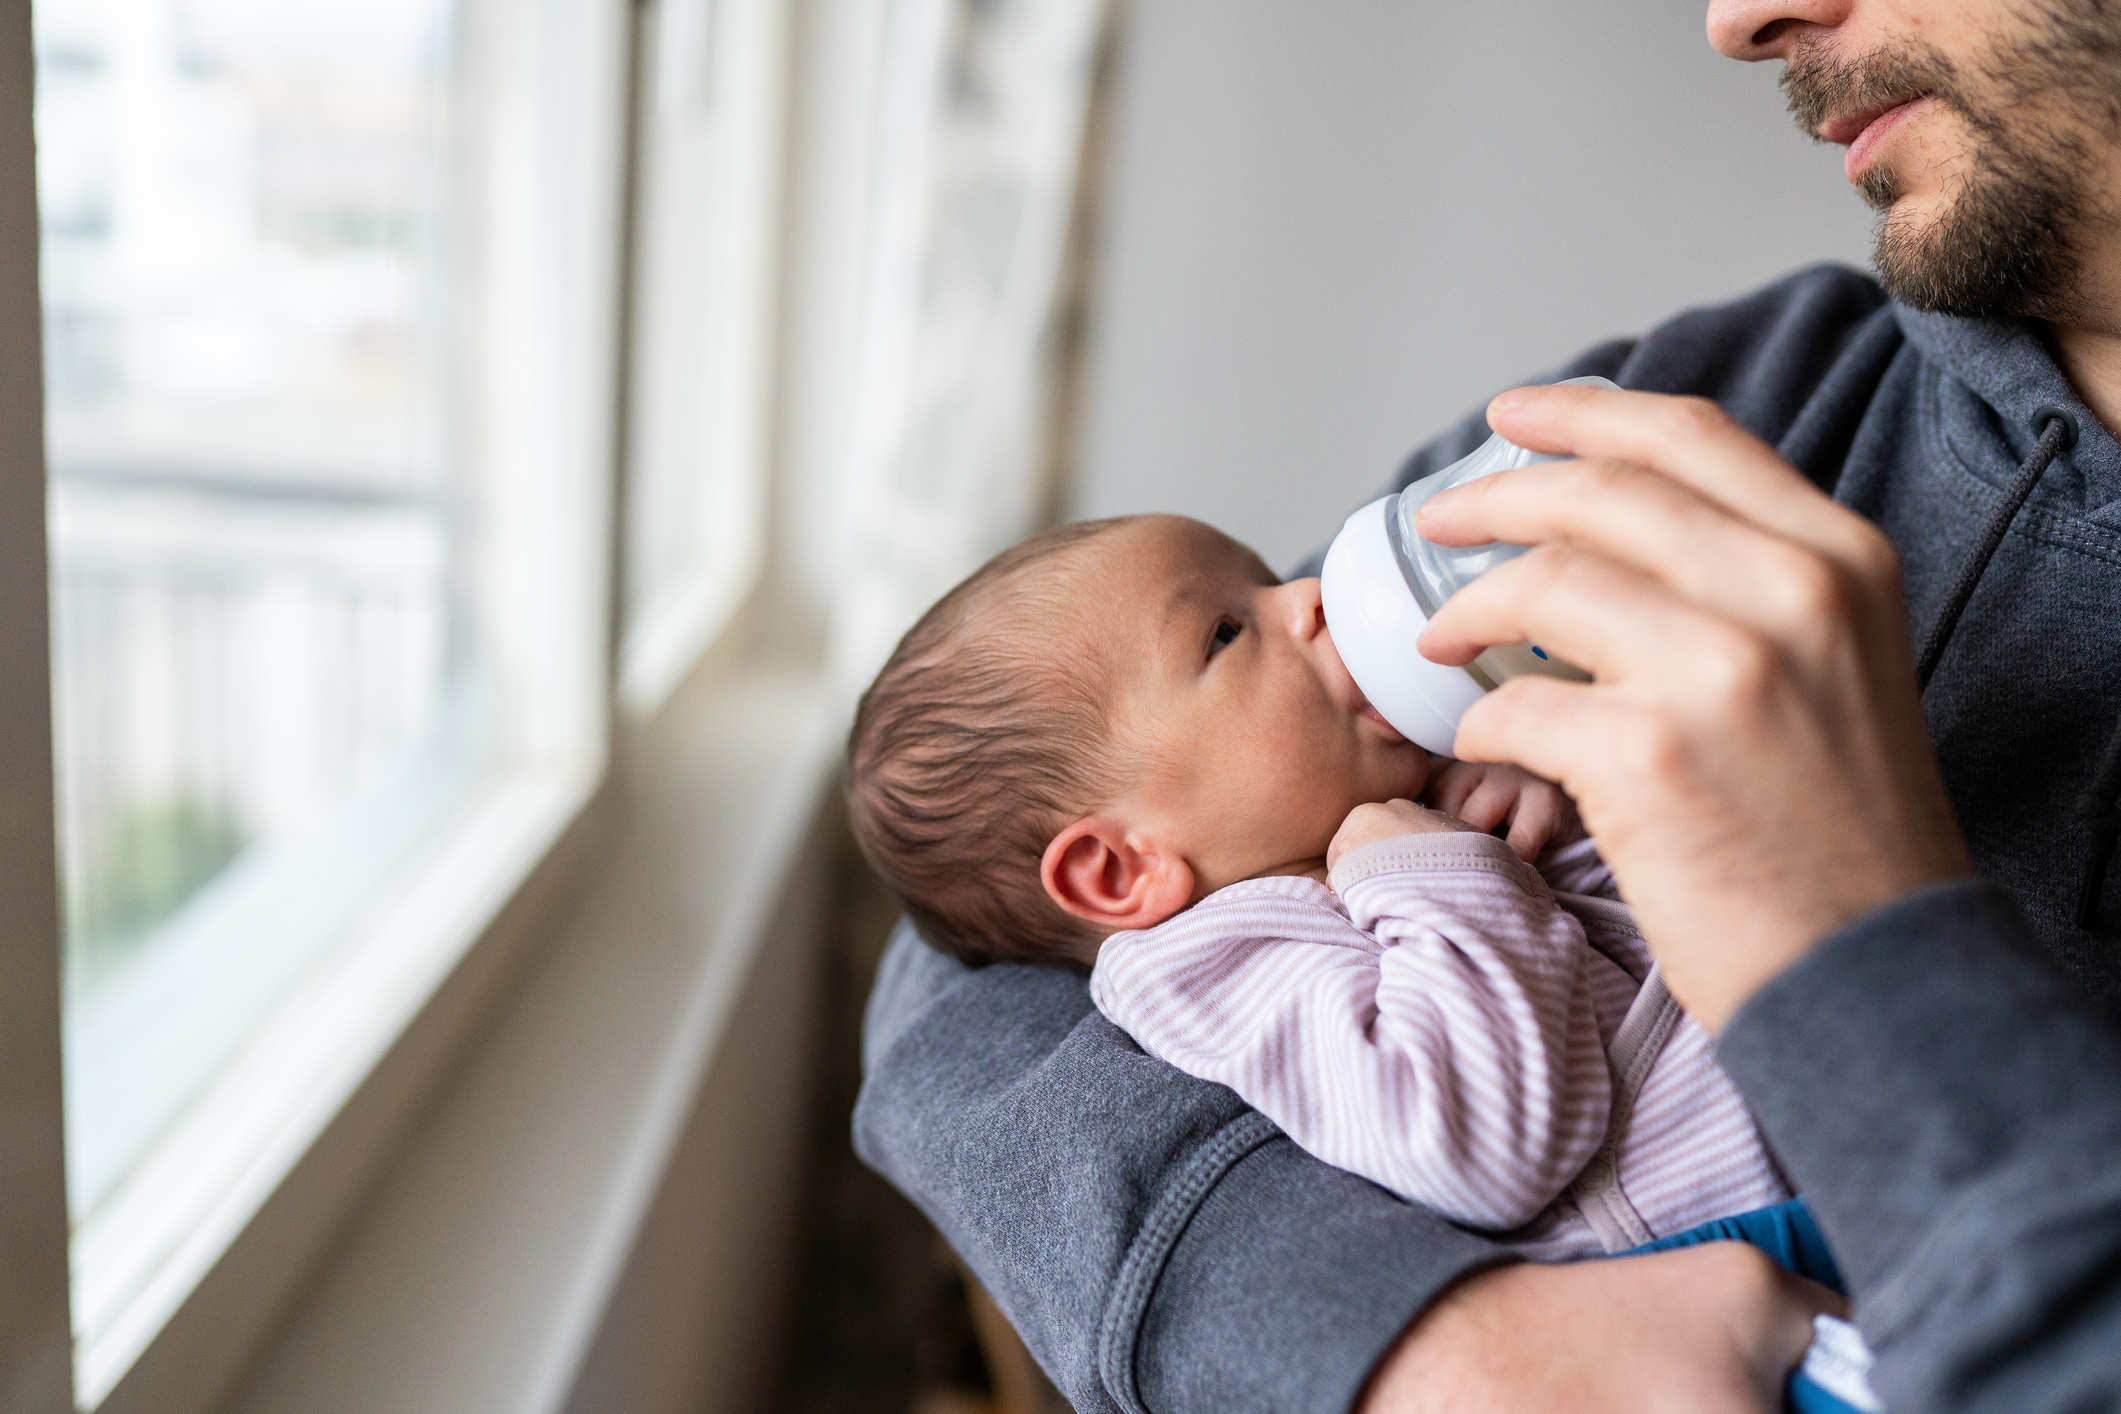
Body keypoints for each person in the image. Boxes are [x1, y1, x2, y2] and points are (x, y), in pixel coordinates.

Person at [855, 1, 2121, 1410]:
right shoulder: (1733, 399)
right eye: (1229, 626)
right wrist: (1408, 1344)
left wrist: (1848, 938)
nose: (1733, 19)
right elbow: (964, 966)